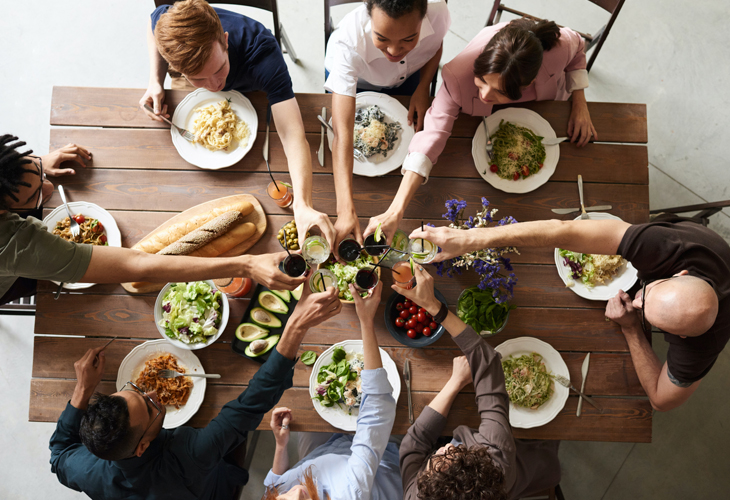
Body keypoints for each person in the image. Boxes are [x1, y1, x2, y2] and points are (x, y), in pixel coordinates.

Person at [49, 284, 343, 500]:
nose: (153, 395)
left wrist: (83, 389)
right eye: (151, 408)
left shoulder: (86, 469)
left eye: (136, 391)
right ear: (140, 447)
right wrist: (296, 325)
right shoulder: (189, 455)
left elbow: (58, 454)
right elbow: (251, 403)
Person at [410, 215, 729, 411]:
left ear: (683, 337)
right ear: (681, 274)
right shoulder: (669, 246)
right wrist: (469, 238)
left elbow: (661, 399)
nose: (637, 301)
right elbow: (561, 230)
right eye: (648, 293)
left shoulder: (702, 346)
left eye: (647, 315)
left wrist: (632, 329)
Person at [365, 18, 596, 245]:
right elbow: (432, 134)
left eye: (499, 92)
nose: (484, 95)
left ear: (528, 84)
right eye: (482, 81)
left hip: (546, 109)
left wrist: (579, 101)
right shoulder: (457, 76)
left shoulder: (559, 48)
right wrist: (395, 210)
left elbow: (578, 49)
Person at [0, 135, 305, 305]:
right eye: (34, 199)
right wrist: (246, 264)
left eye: (39, 174)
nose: (51, 190)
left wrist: (32, 168)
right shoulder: (17, 246)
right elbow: (136, 264)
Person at [139, 0, 334, 247]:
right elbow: (153, 19)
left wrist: (303, 204)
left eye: (219, 69)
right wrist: (155, 81)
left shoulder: (262, 52)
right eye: (199, 79)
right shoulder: (169, 28)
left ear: (225, 40)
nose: (214, 86)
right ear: (178, 67)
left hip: (253, 89)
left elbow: (292, 133)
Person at [395, 266, 560, 499]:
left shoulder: (418, 495)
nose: (445, 448)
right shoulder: (497, 460)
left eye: (434, 462)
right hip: (531, 460)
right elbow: (488, 364)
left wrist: (454, 383)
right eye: (453, 456)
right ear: (477, 465)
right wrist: (435, 307)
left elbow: (413, 444)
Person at [325, 0, 450, 255]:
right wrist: (345, 209)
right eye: (381, 37)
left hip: (411, 76)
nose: (394, 50)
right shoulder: (347, 45)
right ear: (368, 14)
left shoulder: (438, 13)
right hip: (360, 82)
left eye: (409, 38)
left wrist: (424, 86)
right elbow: (343, 134)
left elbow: (435, 46)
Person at [262, 281, 402, 500]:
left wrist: (281, 446)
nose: (297, 491)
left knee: (308, 415)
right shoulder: (350, 492)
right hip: (384, 464)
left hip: (324, 455)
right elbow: (376, 412)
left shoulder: (282, 493)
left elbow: (274, 485)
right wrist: (366, 320)